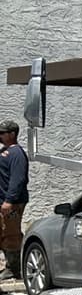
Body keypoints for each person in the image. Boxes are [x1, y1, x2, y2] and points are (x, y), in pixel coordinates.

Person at [0, 120, 29, 280]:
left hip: (12, 203)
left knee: (11, 234)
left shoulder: (17, 153)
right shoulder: (5, 151)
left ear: (12, 134)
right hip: (3, 201)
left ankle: (14, 268)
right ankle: (9, 266)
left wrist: (9, 201)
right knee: (3, 233)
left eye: (2, 133)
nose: (0, 136)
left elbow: (18, 180)